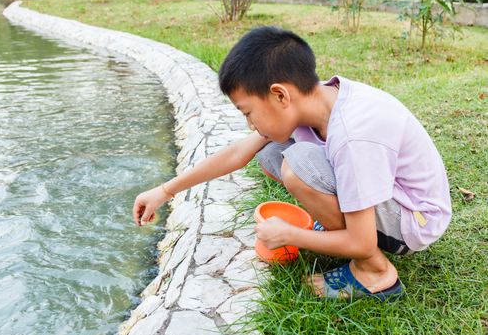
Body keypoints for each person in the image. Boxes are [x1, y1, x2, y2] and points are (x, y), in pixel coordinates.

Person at [133, 26, 452, 300]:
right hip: (388, 197)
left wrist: (289, 235)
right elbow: (237, 153)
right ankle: (335, 225)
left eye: (247, 112)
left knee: (297, 163)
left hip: (413, 221)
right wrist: (164, 191)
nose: (249, 124)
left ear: (280, 95)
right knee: (270, 152)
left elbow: (362, 240)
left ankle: (375, 272)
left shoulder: (354, 136)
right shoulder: (313, 100)